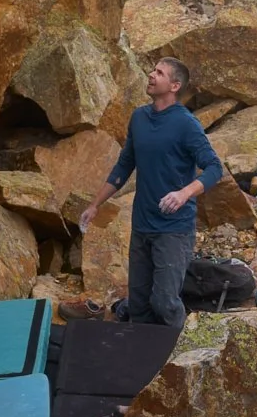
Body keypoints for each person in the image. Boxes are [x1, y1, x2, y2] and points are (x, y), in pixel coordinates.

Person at [81, 57, 224, 325]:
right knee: (138, 305)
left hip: (174, 229)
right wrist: (94, 205)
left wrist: (183, 194)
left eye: (159, 73)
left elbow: (215, 168)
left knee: (165, 302)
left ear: (174, 86)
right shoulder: (139, 117)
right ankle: (140, 351)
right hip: (142, 225)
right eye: (153, 70)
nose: (151, 74)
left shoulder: (186, 124)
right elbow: (124, 165)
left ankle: (180, 347)